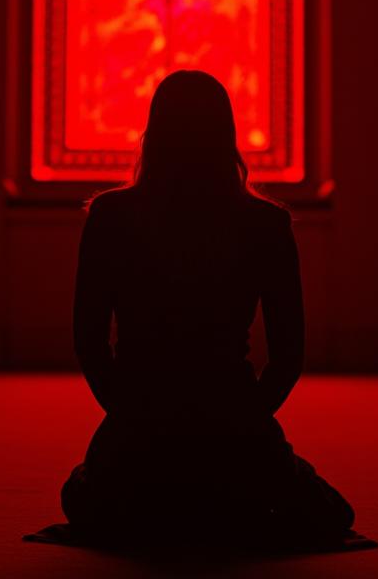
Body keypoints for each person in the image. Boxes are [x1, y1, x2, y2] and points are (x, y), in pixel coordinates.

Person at [59, 69, 359, 549]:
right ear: (228, 135)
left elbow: (88, 341)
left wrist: (130, 415)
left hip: (141, 412)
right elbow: (288, 357)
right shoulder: (266, 224)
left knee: (84, 497)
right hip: (231, 413)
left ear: (154, 132)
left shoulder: (111, 217)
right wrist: (247, 422)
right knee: (328, 514)